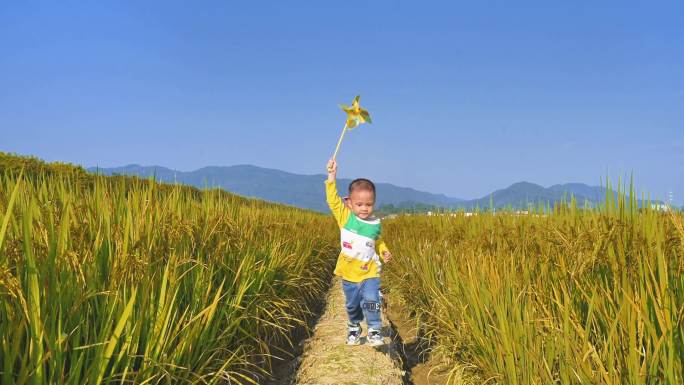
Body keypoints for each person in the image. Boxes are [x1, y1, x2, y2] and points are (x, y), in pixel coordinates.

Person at [325, 158, 392, 346]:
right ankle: (354, 326)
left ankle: (374, 329)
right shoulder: (345, 218)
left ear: (374, 203)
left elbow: (378, 242)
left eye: (369, 204)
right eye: (360, 204)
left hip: (369, 271)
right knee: (353, 305)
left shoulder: (375, 224)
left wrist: (384, 251)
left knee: (371, 299)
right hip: (349, 272)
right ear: (350, 203)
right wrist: (332, 175)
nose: (364, 208)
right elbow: (332, 200)